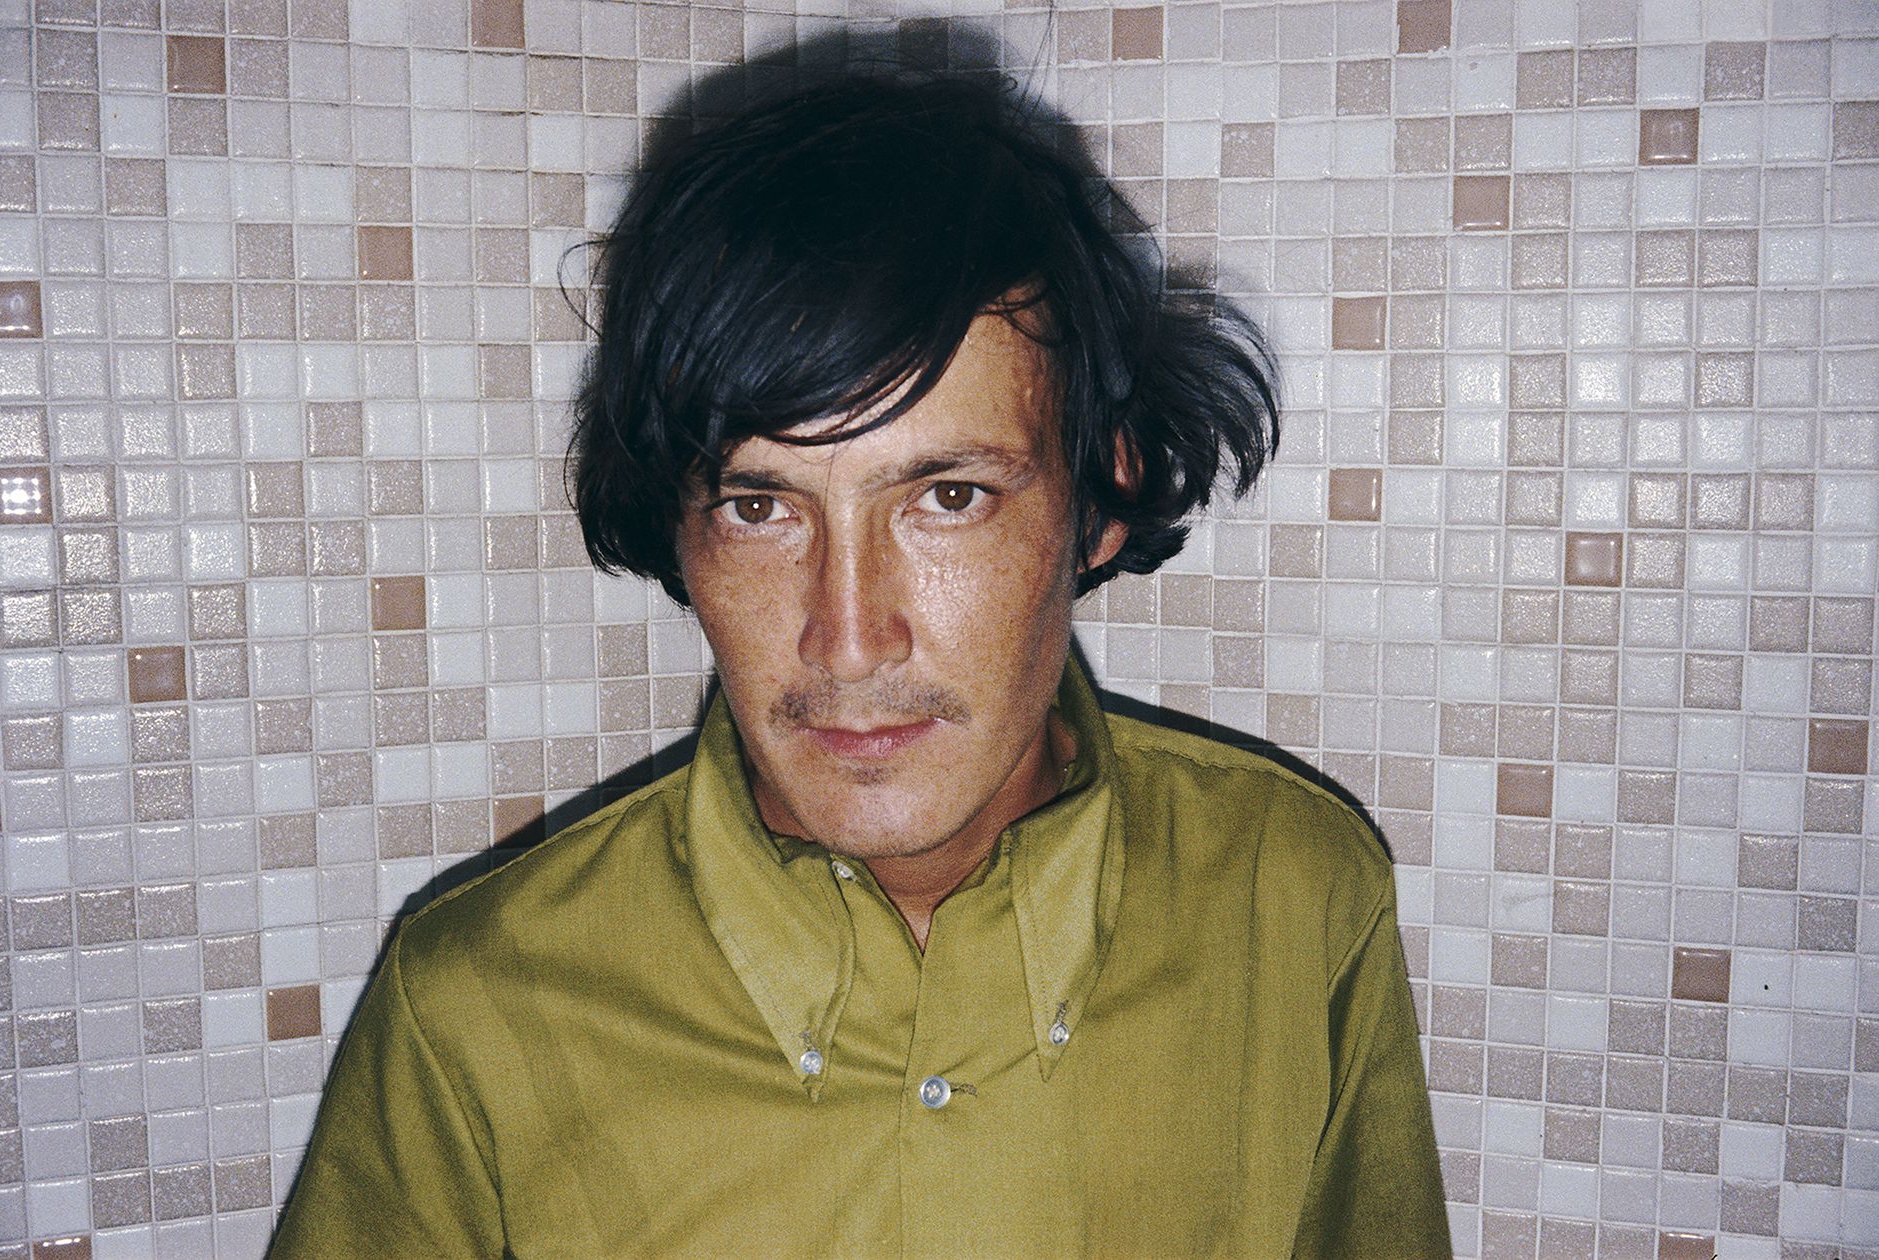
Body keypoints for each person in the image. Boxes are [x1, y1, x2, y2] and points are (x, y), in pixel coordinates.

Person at [269, 64, 1450, 1259]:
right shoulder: (473, 1011)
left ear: (1103, 496)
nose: (846, 636)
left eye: (948, 497)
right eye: (759, 508)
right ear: (678, 532)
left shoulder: (1296, 902)